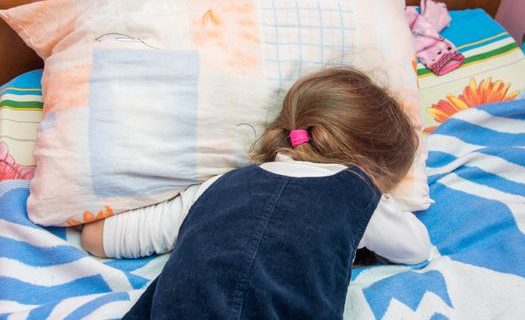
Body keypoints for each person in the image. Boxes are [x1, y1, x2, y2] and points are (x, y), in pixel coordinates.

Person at [81, 67, 432, 319]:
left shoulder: (219, 186)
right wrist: (375, 200)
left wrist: (92, 229)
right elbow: (416, 247)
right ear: (368, 169)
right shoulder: (356, 193)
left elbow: (102, 238)